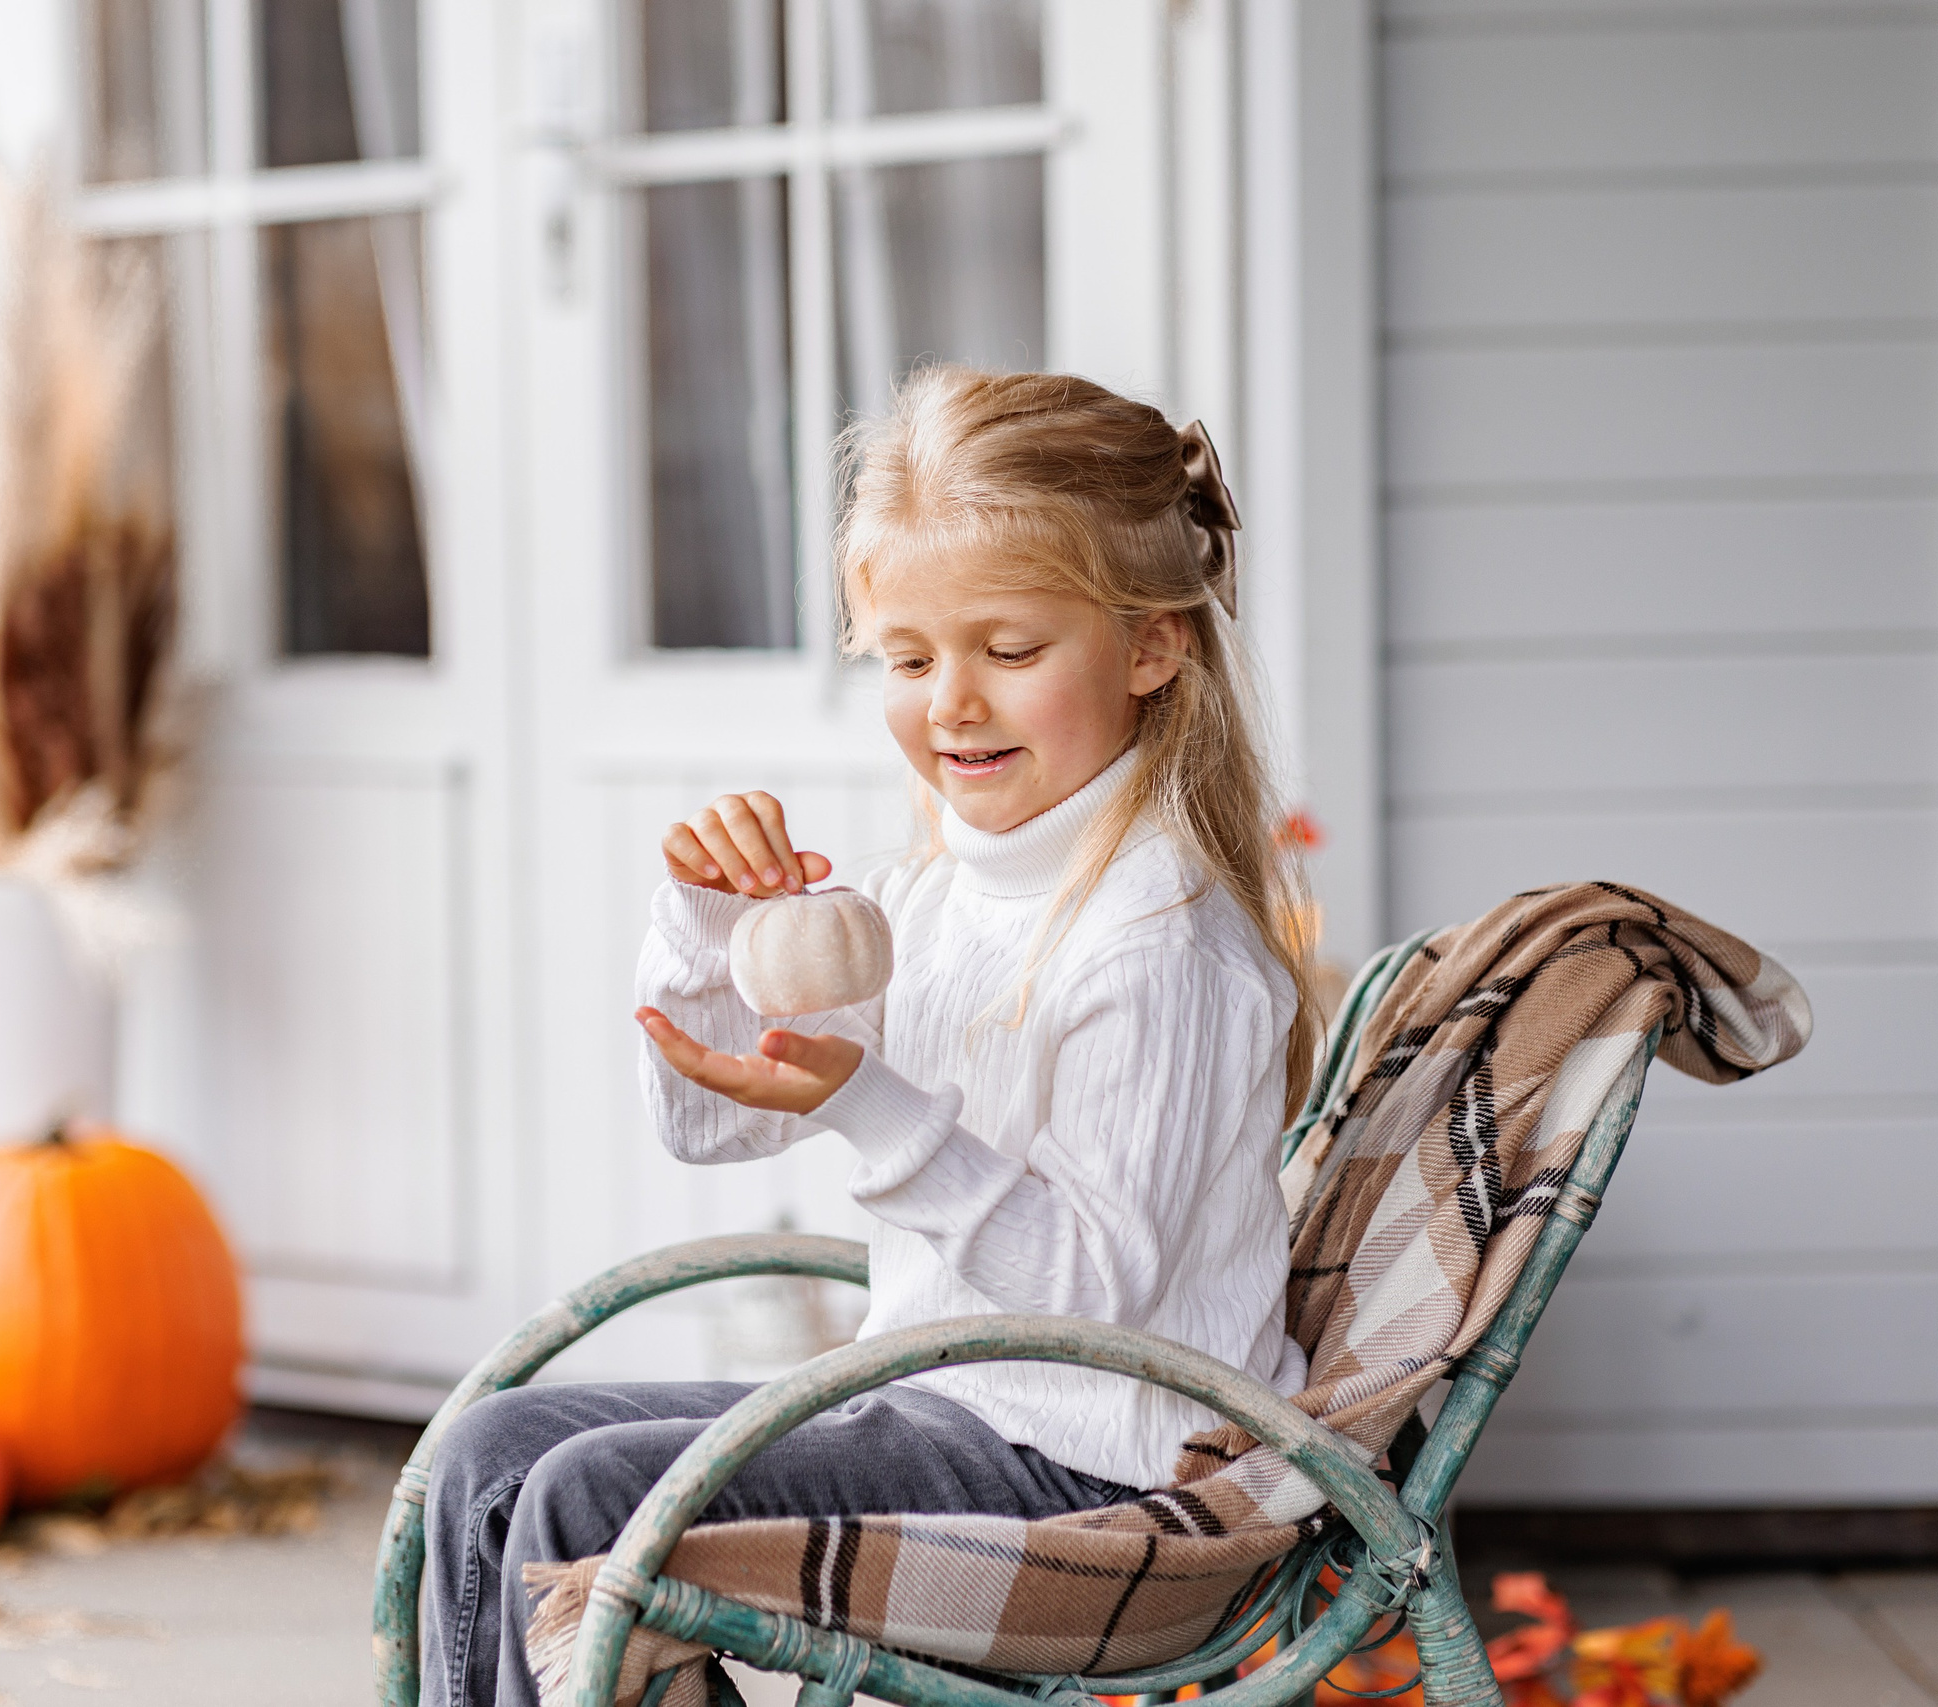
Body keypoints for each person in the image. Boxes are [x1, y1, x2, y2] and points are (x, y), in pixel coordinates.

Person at [422, 367, 1321, 1707]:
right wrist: (710, 928)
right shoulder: (941, 893)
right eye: (908, 659)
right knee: (488, 1453)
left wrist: (871, 1106)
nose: (950, 701)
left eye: (1008, 650)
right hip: (940, 1408)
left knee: (588, 1496)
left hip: (1099, 1466)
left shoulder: (1161, 943)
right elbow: (712, 1124)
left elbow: (1092, 1300)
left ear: (1151, 647)